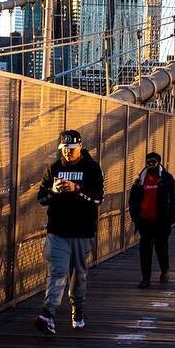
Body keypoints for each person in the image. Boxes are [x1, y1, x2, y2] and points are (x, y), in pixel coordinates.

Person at [34, 129, 104, 335]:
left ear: (80, 146)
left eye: (72, 149)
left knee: (78, 275)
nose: (68, 153)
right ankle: (48, 314)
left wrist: (77, 189)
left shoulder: (92, 168)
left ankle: (78, 309)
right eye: (64, 149)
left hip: (82, 232)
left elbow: (98, 198)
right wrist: (53, 192)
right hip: (57, 231)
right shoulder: (54, 168)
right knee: (57, 272)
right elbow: (41, 198)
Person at [128, 151, 175, 288]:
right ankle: (145, 278)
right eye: (148, 163)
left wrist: (172, 218)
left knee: (161, 249)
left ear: (159, 163)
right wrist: (135, 217)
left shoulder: (167, 178)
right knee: (145, 251)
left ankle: (164, 271)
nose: (150, 165)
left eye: (153, 163)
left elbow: (174, 198)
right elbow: (132, 199)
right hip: (144, 221)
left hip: (161, 221)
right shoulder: (140, 180)